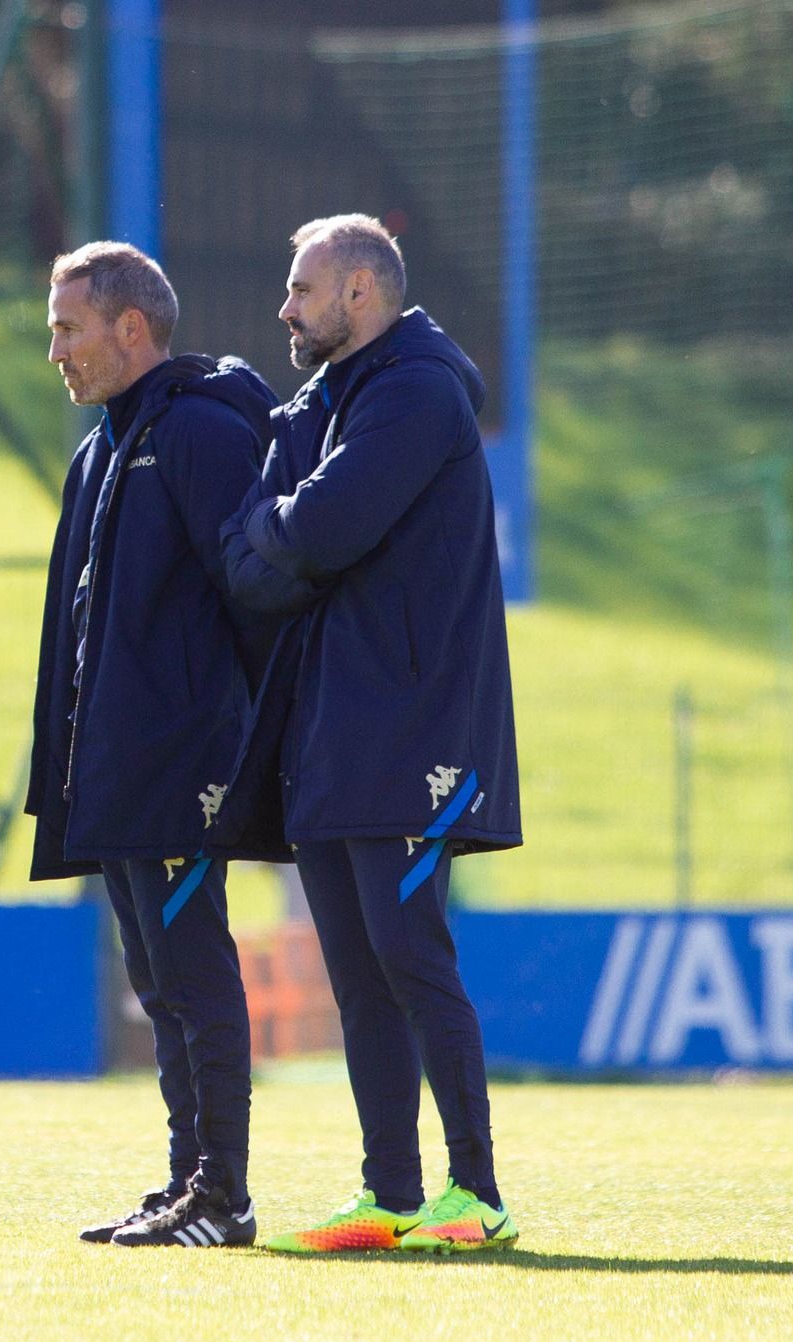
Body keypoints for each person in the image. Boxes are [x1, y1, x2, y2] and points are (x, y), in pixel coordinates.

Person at [222, 214, 524, 1253]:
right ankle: (390, 1194)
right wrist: (281, 533)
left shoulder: (413, 390)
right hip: (332, 726)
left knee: (408, 955)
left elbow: (315, 530)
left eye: (299, 289)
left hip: (411, 725)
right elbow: (247, 550)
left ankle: (474, 1195)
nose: (284, 308)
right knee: (353, 969)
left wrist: (283, 534)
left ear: (358, 293)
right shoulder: (324, 400)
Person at [26, 241, 315, 1249]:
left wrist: (225, 738)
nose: (53, 349)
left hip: (182, 761)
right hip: (114, 767)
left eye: (66, 327)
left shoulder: (195, 433)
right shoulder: (101, 449)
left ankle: (221, 1197)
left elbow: (252, 590)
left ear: (129, 329)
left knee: (191, 977)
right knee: (157, 985)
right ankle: (181, 1184)